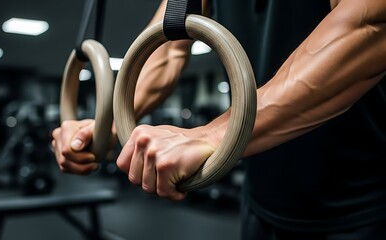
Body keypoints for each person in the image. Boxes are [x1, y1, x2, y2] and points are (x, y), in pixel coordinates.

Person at [52, 0, 386, 239]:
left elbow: (369, 26)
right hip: (260, 203)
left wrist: (213, 135)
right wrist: (106, 127)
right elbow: (166, 47)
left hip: (363, 208)